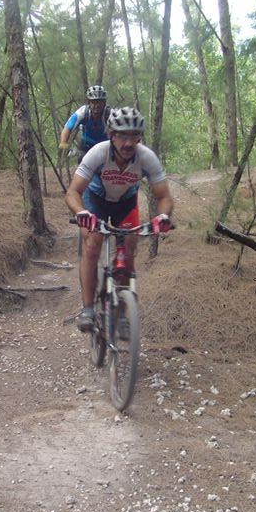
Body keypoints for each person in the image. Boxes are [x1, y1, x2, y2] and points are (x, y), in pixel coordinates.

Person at [65, 106, 173, 332]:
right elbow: (73, 192)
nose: (128, 143)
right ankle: (87, 309)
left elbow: (163, 196)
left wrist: (163, 216)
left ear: (139, 138)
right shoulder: (98, 152)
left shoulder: (146, 157)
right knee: (92, 244)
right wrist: (81, 213)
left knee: (128, 250)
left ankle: (123, 313)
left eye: (134, 136)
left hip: (125, 204)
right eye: (122, 136)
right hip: (96, 201)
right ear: (111, 135)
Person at [59, 85, 110, 162]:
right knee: (82, 168)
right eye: (94, 102)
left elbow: (121, 132)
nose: (97, 106)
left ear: (104, 103)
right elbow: (67, 128)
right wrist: (63, 144)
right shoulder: (83, 112)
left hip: (105, 147)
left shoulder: (110, 114)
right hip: (86, 147)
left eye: (100, 102)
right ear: (89, 103)